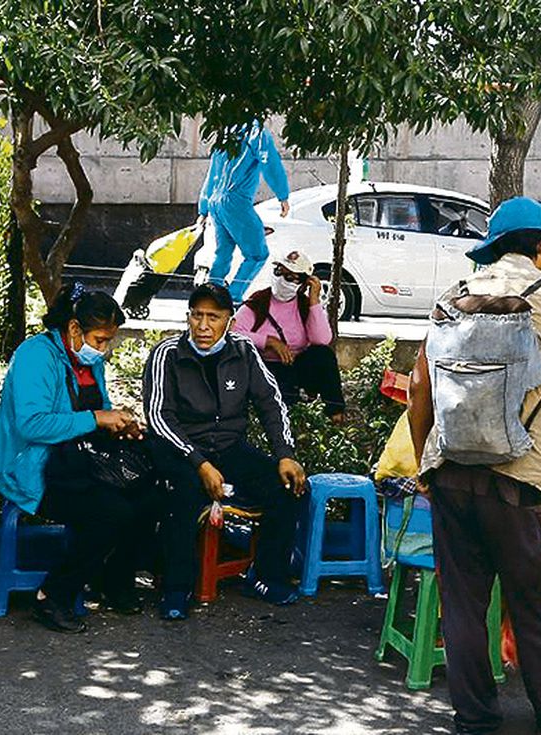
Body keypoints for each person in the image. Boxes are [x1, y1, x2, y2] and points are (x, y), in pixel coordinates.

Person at [407, 197, 541, 735]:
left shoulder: (453, 296)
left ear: (492, 248)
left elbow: (418, 387)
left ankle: (474, 717)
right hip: (522, 482)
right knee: (539, 602)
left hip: (451, 476)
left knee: (463, 604)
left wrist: (429, 460)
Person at [0, 285, 160, 634]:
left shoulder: (85, 360)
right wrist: (97, 419)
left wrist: (116, 425)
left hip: (79, 462)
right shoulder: (35, 356)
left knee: (150, 496)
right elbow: (32, 424)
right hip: (34, 468)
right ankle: (53, 595)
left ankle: (113, 582)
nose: (104, 349)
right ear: (74, 328)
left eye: (109, 340)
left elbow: (96, 411)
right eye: (99, 339)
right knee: (110, 513)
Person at [144, 283, 307, 621]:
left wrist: (285, 453)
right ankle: (177, 587)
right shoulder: (168, 354)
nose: (203, 326)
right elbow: (159, 416)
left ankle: (264, 576)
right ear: (188, 317)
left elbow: (271, 404)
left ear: (229, 321)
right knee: (184, 494)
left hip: (231, 449)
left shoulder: (244, 351)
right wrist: (198, 462)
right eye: (197, 316)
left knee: (289, 488)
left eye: (213, 317)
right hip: (181, 451)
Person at [231, 250, 346, 421]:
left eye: (291, 278)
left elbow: (321, 340)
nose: (283, 281)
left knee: (323, 355)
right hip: (263, 367)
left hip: (295, 366)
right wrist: (269, 342)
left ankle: (335, 413)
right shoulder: (259, 302)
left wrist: (314, 300)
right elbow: (233, 334)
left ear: (303, 283)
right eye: (280, 273)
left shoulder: (304, 306)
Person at [198, 121, 291, 303]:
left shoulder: (226, 132)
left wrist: (203, 207)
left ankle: (211, 295)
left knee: (223, 253)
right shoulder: (256, 132)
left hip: (216, 201)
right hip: (236, 201)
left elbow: (212, 173)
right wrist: (282, 195)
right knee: (257, 254)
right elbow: (270, 163)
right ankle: (232, 298)